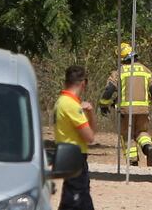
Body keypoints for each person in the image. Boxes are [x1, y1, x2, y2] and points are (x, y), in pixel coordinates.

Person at [99, 43, 152, 167]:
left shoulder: (120, 72)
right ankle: (148, 147)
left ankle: (133, 160)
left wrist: (103, 104)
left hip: (126, 110)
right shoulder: (146, 70)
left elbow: (109, 90)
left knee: (126, 134)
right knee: (142, 132)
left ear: (121, 58)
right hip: (143, 110)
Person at [54, 65, 97, 210]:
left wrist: (90, 113)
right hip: (74, 157)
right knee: (75, 201)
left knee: (79, 199)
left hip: (69, 156)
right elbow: (90, 137)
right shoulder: (71, 105)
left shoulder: (62, 101)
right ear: (83, 83)